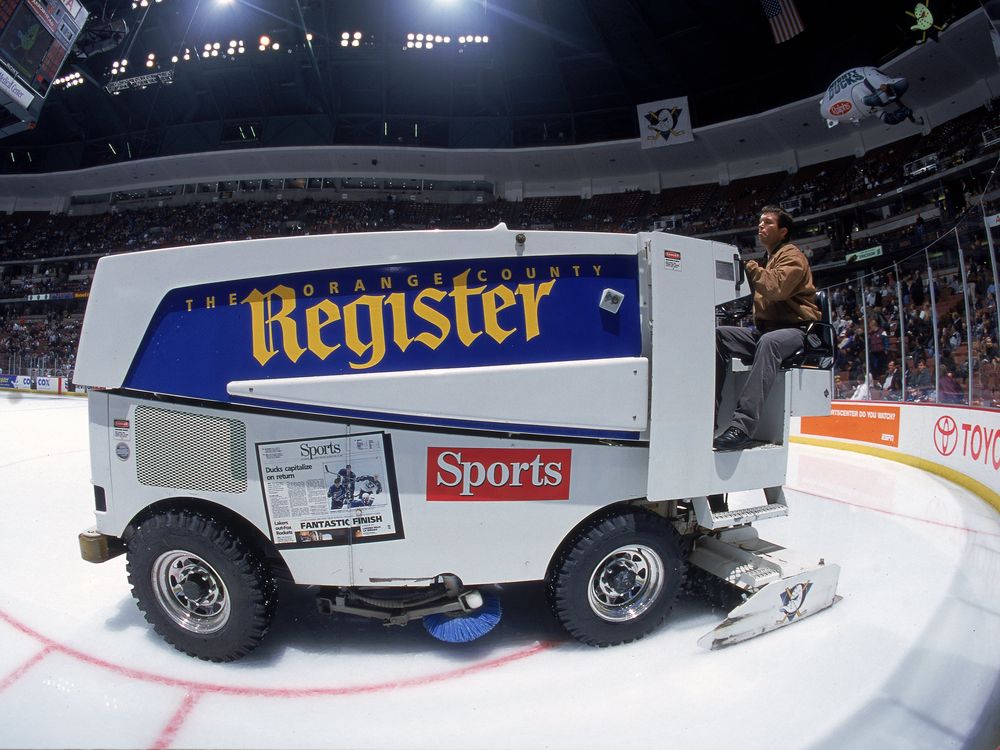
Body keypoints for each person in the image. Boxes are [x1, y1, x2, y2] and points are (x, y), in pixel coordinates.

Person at [714, 206, 820, 451]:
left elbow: (777, 288)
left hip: (797, 330)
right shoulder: (770, 259)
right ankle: (708, 417)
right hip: (764, 331)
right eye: (760, 222)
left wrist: (749, 268)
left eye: (768, 222)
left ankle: (742, 427)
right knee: (719, 336)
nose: (761, 226)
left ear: (783, 231)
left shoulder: (793, 256)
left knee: (770, 342)